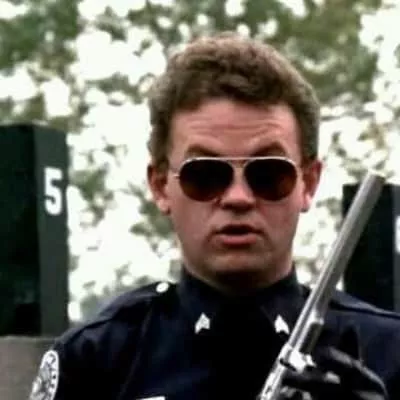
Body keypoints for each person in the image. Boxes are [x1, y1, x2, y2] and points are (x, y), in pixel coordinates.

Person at [29, 32, 400, 400]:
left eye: (268, 174)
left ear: (309, 182)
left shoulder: (389, 354)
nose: (238, 198)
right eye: (205, 175)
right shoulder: (95, 360)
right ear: (161, 185)